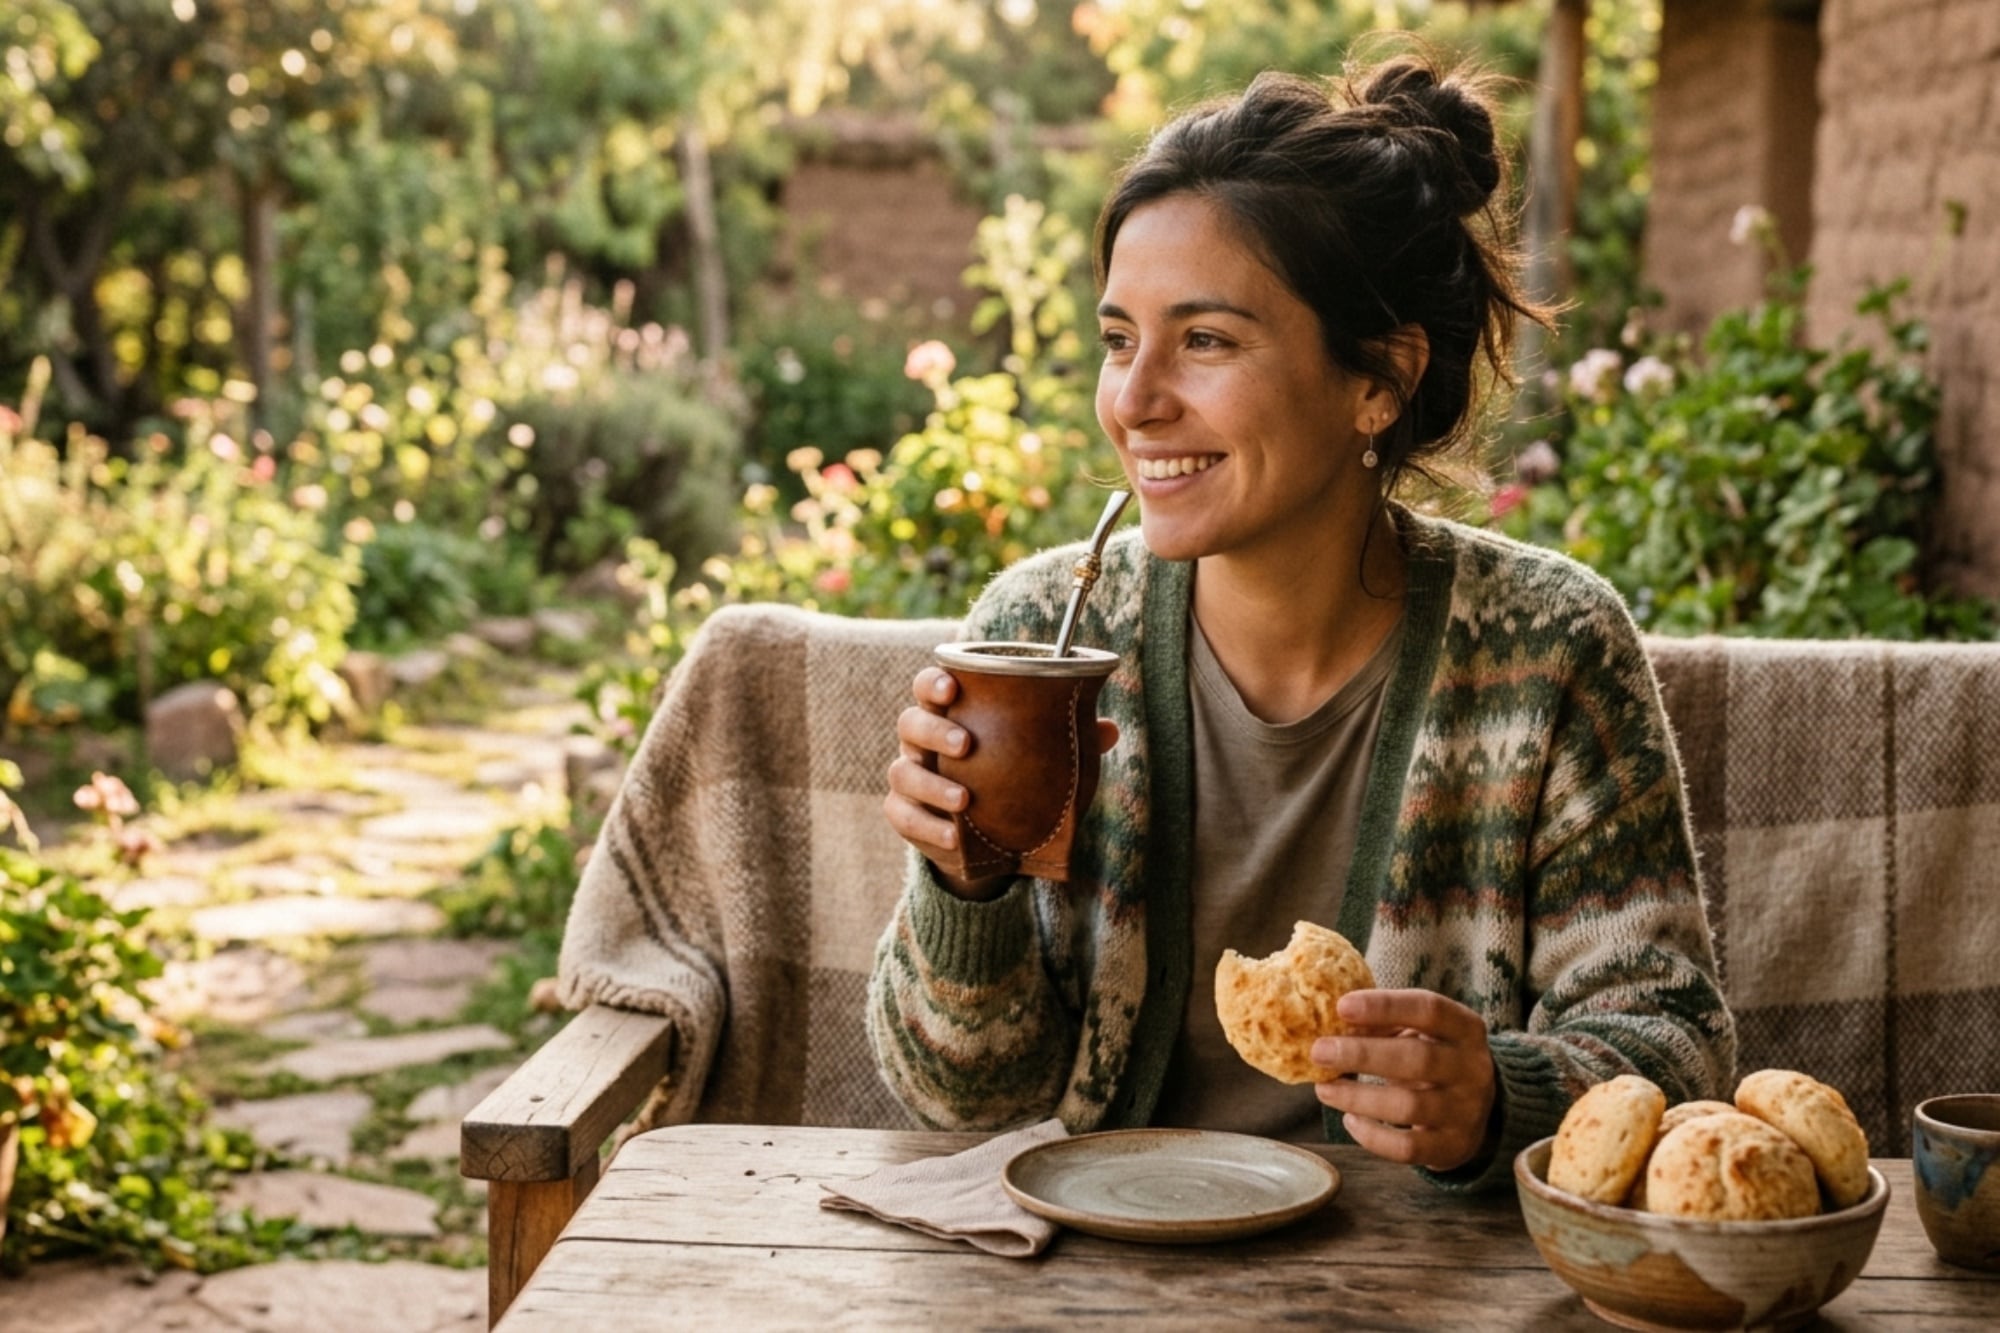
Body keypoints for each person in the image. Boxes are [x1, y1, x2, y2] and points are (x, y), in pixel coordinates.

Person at [869, 47, 1735, 1189]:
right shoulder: (1040, 632)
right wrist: (966, 886)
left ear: (1376, 379)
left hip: (1411, 1284)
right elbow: (955, 1103)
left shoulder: (1545, 652)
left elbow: (1672, 1047)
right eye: (1118, 340)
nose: (1132, 402)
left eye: (1206, 341)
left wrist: (1497, 1097)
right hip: (1086, 1266)